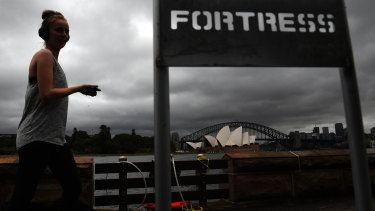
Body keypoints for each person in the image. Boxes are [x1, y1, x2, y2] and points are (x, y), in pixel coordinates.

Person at [8, 10, 99, 211]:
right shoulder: (44, 55)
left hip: (54, 139)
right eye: (59, 30)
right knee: (22, 197)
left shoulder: (54, 62)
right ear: (45, 33)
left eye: (67, 31)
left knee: (73, 189)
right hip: (36, 138)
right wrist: (79, 88)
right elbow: (46, 94)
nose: (64, 35)